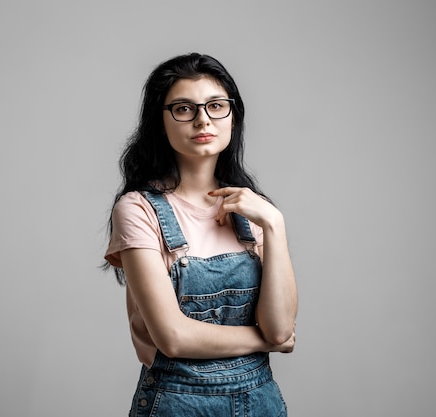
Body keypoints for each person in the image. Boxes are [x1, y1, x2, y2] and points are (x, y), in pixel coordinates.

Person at [103, 52, 298, 416]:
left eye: (216, 105)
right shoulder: (138, 210)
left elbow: (281, 323)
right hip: (177, 403)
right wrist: (267, 340)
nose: (203, 119)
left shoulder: (255, 211)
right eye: (183, 109)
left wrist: (274, 224)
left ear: (233, 115)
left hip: (261, 403)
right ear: (160, 122)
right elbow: (173, 338)